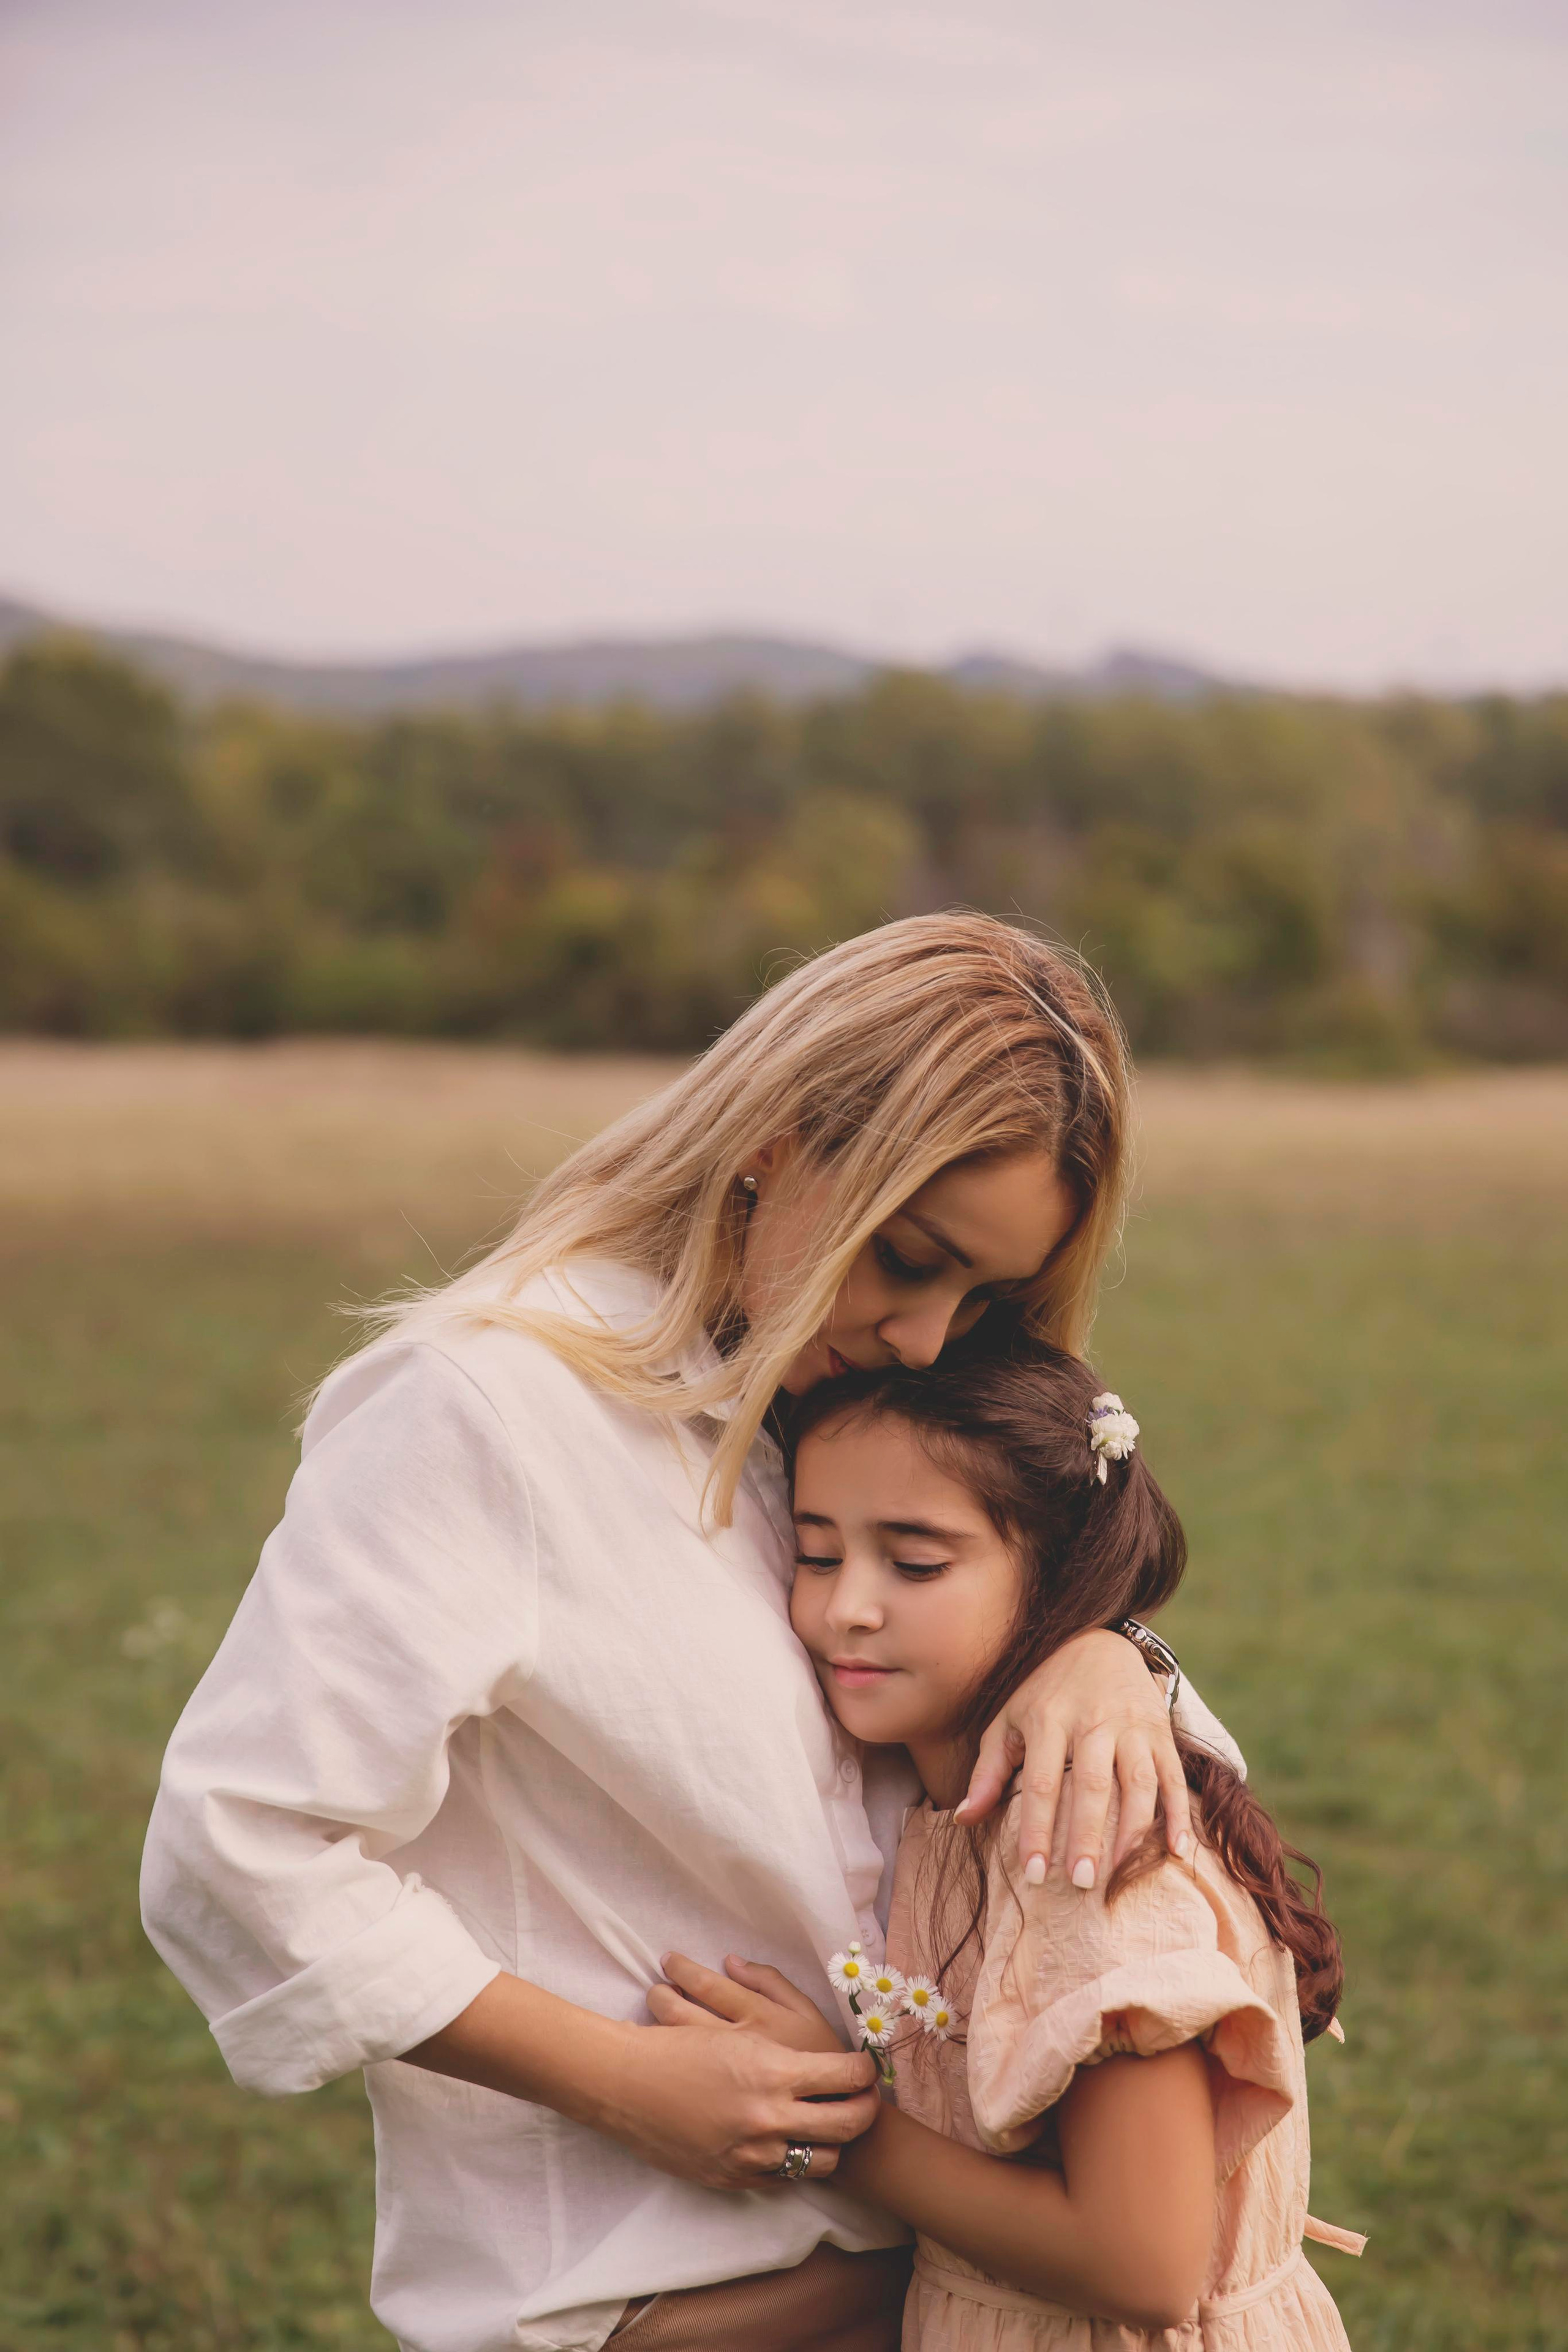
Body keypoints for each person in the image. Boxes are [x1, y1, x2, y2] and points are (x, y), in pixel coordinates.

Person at [141, 914, 1237, 2352]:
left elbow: (1022, 1721)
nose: (928, 1331)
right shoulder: (487, 1406)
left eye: (983, 1295)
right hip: (651, 2302)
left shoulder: (859, 1411)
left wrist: (1103, 1652)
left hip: (939, 2279)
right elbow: (236, 1842)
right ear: (772, 1146)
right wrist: (616, 2077)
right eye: (906, 1257)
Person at [654, 1343, 1360, 2348]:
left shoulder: (1081, 1855)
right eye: (817, 1554)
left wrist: (839, 2121)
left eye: (916, 1563)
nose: (846, 1607)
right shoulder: (955, 1803)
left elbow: (1144, 2266)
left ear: (1060, 1581)